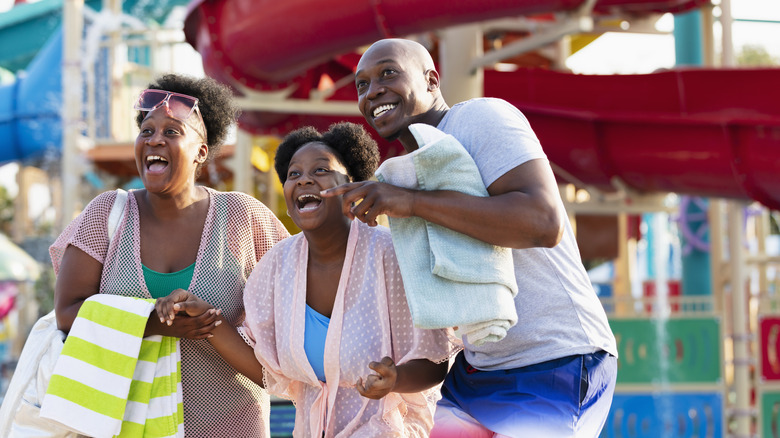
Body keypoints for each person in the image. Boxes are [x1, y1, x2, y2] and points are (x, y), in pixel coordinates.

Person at [320, 38, 619, 437]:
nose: (372, 90)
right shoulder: (402, 172)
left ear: (431, 81)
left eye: (388, 73)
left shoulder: (481, 118)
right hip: (477, 369)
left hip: (556, 358)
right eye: (361, 84)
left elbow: (543, 222)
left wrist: (410, 202)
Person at [156, 122, 460, 437]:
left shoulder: (390, 254)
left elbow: (434, 361)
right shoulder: (277, 265)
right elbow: (267, 369)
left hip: (389, 428)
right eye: (294, 174)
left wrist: (394, 379)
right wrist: (206, 317)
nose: (305, 179)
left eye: (321, 170)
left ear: (352, 185)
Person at [49, 73, 290, 437]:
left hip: (231, 423)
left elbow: (296, 303)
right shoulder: (107, 214)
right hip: (126, 425)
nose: (155, 139)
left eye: (173, 131)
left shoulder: (243, 216)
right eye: (146, 131)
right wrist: (154, 322)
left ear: (202, 152)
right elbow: (67, 314)